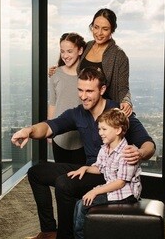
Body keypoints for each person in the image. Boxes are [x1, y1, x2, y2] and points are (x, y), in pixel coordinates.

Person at [11, 67, 155, 239]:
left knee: (64, 184)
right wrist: (29, 130)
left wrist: (139, 152)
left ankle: (66, 237)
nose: (83, 96)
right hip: (92, 168)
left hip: (110, 175)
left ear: (102, 90)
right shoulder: (78, 113)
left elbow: (149, 144)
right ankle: (49, 231)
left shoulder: (118, 114)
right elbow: (49, 126)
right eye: (80, 90)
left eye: (89, 91)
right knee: (36, 172)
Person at [69, 108, 141, 239]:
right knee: (79, 203)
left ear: (118, 130)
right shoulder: (105, 149)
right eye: (99, 129)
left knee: (83, 204)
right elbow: (100, 168)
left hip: (126, 194)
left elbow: (120, 183)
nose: (100, 133)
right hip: (113, 189)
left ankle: (80, 237)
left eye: (104, 129)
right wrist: (85, 168)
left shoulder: (126, 153)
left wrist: (96, 191)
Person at [50, 8, 133, 116]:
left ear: (112, 30)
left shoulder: (119, 55)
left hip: (105, 114)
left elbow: (123, 87)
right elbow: (73, 56)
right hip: (84, 109)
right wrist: (58, 69)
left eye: (105, 29)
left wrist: (126, 101)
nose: (99, 33)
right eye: (96, 27)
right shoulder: (87, 46)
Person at [48, 32, 86, 165]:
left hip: (83, 137)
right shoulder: (55, 74)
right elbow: (53, 103)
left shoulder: (88, 75)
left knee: (81, 179)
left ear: (80, 50)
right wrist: (50, 129)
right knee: (61, 176)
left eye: (69, 51)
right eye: (62, 51)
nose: (65, 55)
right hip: (59, 136)